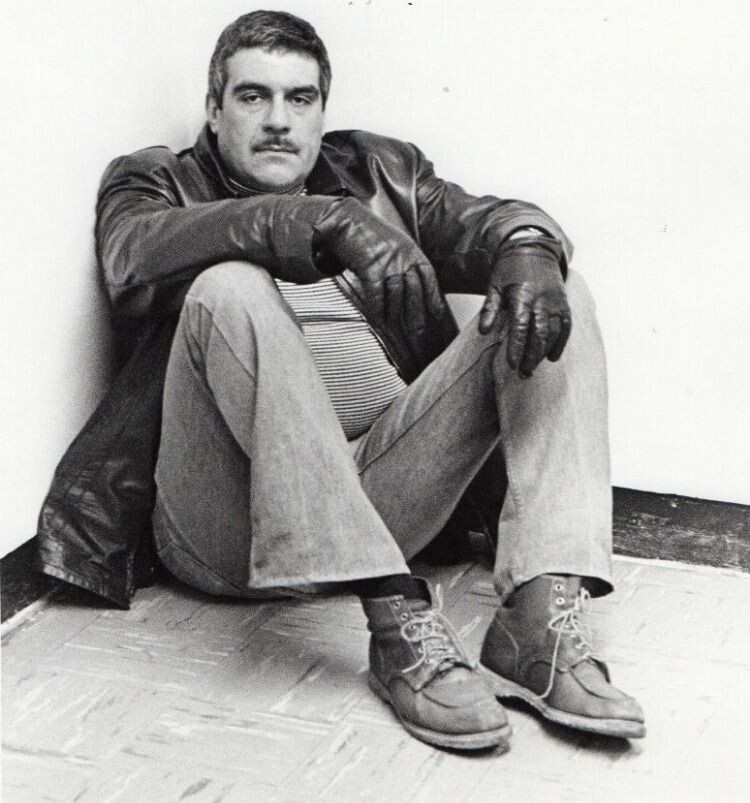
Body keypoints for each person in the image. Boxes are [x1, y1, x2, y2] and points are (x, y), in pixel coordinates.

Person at [37, 9, 645, 751]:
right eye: (253, 96)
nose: (278, 120)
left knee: (553, 290)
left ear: (322, 111)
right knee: (227, 284)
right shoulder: (155, 181)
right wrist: (314, 222)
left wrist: (527, 247)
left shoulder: (380, 171)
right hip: (225, 527)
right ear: (213, 110)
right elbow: (132, 254)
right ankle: (398, 625)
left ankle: (538, 624)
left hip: (381, 499)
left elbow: (491, 220)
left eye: (300, 99)